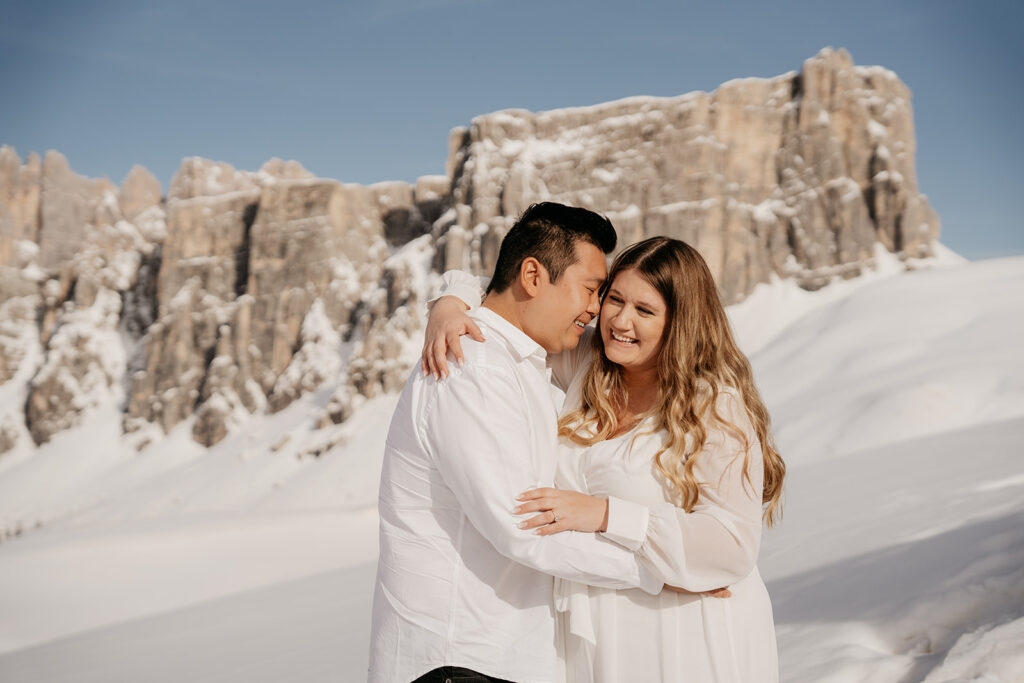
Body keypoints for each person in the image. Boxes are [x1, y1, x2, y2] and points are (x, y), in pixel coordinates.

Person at [424, 236, 784, 682]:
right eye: (614, 299)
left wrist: (605, 514)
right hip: (596, 631)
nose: (620, 321)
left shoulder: (715, 406)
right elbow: (511, 293)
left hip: (685, 628)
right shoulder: (588, 363)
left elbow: (733, 545)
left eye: (644, 310)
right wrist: (449, 305)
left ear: (681, 323)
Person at [369, 203, 671, 683]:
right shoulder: (472, 365)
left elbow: (481, 284)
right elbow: (522, 525)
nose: (596, 309)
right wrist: (662, 570)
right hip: (460, 658)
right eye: (590, 289)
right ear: (532, 276)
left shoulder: (515, 358)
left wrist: (451, 298)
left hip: (489, 657)